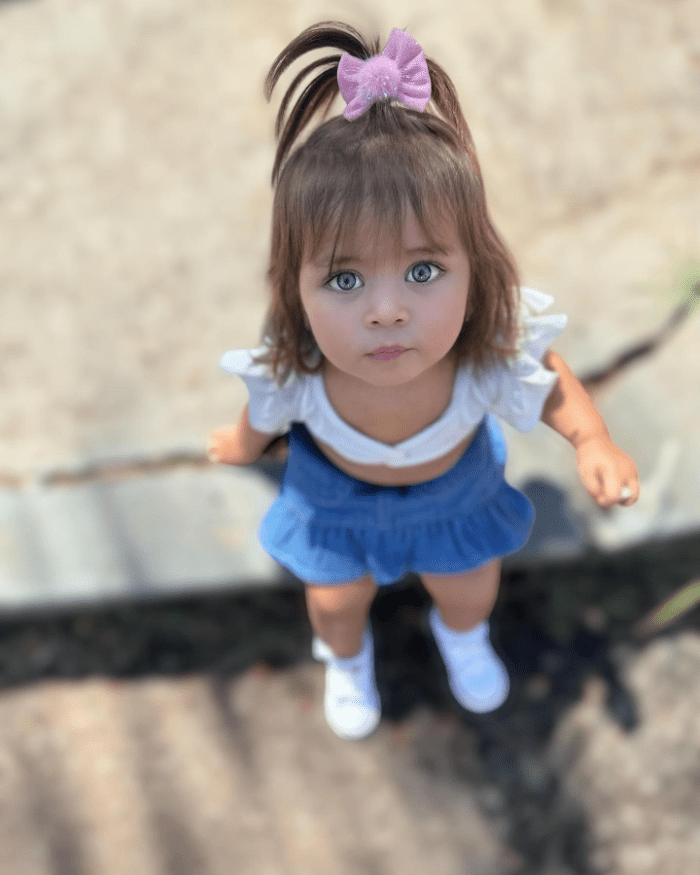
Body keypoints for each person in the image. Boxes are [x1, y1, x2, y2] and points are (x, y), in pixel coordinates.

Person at [208, 22, 639, 740]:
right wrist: (243, 441)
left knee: (472, 585)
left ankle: (463, 634)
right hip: (334, 505)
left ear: (477, 269)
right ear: (295, 288)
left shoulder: (484, 352)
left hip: (455, 496)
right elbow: (266, 407)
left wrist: (592, 439)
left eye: (423, 271)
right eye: (345, 278)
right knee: (334, 601)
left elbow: (550, 380)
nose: (386, 311)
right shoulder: (298, 362)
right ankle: (347, 658)